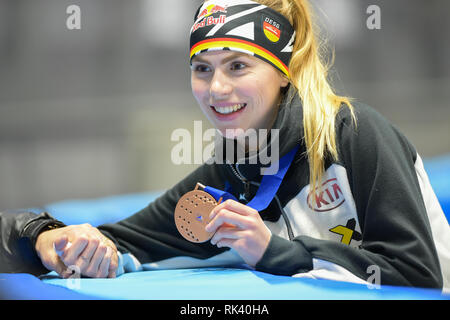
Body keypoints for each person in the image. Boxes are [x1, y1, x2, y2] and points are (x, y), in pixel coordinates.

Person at [1, 0, 449, 291]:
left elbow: (418, 273)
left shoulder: (354, 133)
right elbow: (119, 241)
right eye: (202, 68)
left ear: (285, 70)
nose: (216, 88)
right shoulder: (228, 175)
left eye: (237, 66)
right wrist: (46, 237)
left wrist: (274, 252)